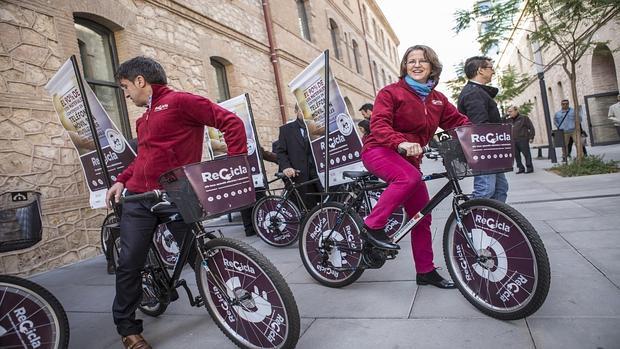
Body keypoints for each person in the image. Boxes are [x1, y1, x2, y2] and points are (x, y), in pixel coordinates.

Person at [105, 56, 247, 349]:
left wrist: (235, 163)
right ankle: (128, 328)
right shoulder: (143, 118)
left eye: (125, 86)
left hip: (178, 192)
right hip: (139, 198)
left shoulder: (181, 102)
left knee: (200, 253)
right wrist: (120, 179)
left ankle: (228, 296)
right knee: (130, 263)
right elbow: (143, 159)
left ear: (140, 81)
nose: (125, 92)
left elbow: (231, 122)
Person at [362, 45, 470, 289]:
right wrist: (400, 142)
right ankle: (372, 225)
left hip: (411, 158)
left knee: (422, 216)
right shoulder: (391, 93)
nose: (417, 65)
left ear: (432, 66)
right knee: (408, 178)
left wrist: (481, 133)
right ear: (405, 66)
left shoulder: (437, 99)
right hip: (380, 150)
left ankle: (426, 271)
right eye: (411, 61)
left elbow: (458, 121)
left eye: (423, 61)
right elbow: (378, 125)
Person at [457, 56, 508, 203]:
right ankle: (473, 222)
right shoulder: (473, 93)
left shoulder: (478, 91)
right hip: (483, 149)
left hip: (490, 150)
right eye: (491, 68)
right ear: (480, 70)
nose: (493, 71)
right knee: (485, 189)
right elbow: (480, 125)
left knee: (500, 188)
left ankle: (496, 221)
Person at [276, 104, 322, 209]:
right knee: (303, 208)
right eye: (302, 110)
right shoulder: (286, 130)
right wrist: (286, 167)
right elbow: (281, 151)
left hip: (318, 174)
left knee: (324, 204)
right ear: (296, 112)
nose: (305, 113)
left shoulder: (318, 127)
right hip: (299, 175)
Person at [506, 105, 535, 173]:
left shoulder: (524, 118)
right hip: (513, 140)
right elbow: (501, 121)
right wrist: (506, 115)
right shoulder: (509, 120)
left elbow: (531, 128)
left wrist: (531, 137)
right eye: (508, 112)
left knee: (526, 154)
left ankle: (529, 168)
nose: (509, 113)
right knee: (517, 156)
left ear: (516, 111)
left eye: (511, 111)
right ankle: (520, 168)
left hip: (523, 139)